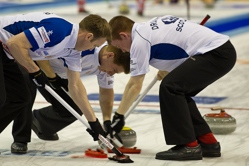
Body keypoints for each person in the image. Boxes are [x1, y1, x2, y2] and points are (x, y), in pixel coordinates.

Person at [107, 15, 237, 160]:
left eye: (119, 46)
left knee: (170, 88)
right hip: (220, 50)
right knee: (179, 91)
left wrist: (119, 116)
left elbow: (134, 84)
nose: (123, 51)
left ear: (123, 35)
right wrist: (171, 67)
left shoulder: (139, 40)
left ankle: (189, 147)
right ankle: (208, 143)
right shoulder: (149, 26)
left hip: (214, 53)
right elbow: (181, 39)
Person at [0, 12, 111, 153]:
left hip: (6, 53)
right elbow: (14, 43)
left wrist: (94, 123)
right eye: (94, 45)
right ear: (88, 36)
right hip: (4, 45)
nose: (91, 49)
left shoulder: (74, 52)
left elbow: (75, 86)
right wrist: (35, 71)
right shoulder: (60, 30)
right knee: (1, 97)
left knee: (20, 98)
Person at [30, 43, 130, 143]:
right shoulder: (84, 49)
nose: (111, 74)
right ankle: (21, 138)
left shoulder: (106, 67)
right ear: (109, 56)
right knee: (25, 98)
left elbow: (106, 93)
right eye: (114, 70)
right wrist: (51, 77)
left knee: (76, 108)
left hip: (64, 75)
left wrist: (106, 120)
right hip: (39, 66)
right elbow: (41, 50)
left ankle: (38, 121)